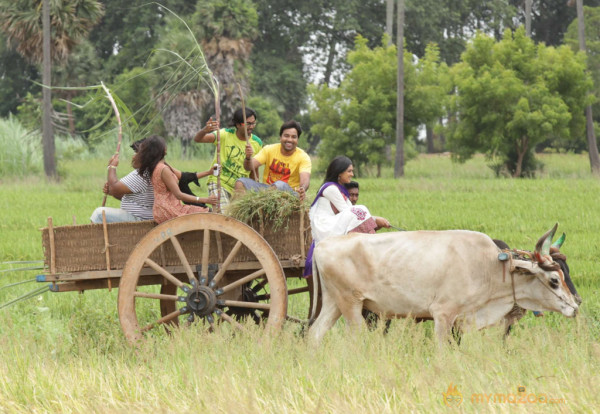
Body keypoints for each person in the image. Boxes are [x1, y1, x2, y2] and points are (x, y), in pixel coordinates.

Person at [303, 156, 390, 277]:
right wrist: (374, 220)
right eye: (349, 171)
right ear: (339, 172)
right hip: (324, 227)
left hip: (333, 222)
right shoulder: (330, 188)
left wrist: (377, 220)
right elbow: (348, 211)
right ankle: (369, 249)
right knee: (361, 208)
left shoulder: (340, 189)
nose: (352, 174)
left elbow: (350, 211)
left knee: (360, 209)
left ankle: (367, 247)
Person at [133, 135, 218, 224]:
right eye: (164, 145)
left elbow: (184, 176)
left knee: (205, 210)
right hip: (170, 209)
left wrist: (209, 172)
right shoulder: (163, 169)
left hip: (160, 209)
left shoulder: (156, 166)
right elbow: (179, 195)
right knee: (209, 213)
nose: (166, 147)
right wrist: (205, 200)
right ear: (161, 149)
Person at [193, 107, 262, 209]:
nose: (251, 126)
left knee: (236, 219)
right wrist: (205, 130)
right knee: (224, 216)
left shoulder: (257, 143)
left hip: (240, 187)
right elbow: (198, 139)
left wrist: (255, 188)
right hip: (219, 183)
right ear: (238, 124)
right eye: (248, 124)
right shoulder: (224, 134)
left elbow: (254, 170)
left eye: (253, 123)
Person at [236, 120, 311, 200]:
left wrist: (302, 188)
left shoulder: (303, 157)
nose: (289, 139)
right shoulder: (269, 149)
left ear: (297, 140)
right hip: (266, 189)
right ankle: (238, 211)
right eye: (286, 136)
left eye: (293, 137)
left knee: (279, 184)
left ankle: (260, 201)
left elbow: (305, 179)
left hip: (289, 193)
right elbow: (249, 167)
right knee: (240, 182)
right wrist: (248, 158)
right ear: (280, 137)